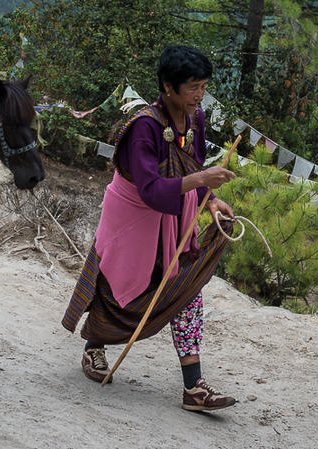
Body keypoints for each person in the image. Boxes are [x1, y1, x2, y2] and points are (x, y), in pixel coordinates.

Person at [62, 45, 239, 412]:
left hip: (176, 213)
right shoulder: (144, 127)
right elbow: (151, 189)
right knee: (115, 285)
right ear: (168, 87)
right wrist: (201, 179)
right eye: (192, 87)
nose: (199, 96)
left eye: (204, 86)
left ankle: (194, 388)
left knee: (185, 287)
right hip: (132, 215)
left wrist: (209, 200)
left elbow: (192, 165)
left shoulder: (196, 120)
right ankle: (94, 346)